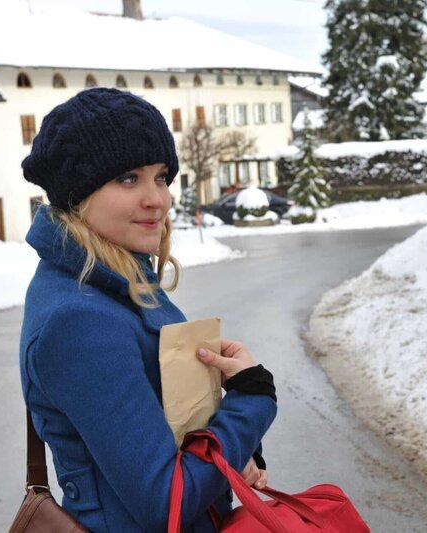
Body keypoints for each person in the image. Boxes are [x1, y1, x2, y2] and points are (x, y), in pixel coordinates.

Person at [19, 87, 277, 531]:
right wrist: (252, 403)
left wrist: (233, 439)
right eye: (128, 178)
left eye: (161, 177)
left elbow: (164, 425)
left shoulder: (116, 278)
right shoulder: (79, 320)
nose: (157, 198)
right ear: (76, 195)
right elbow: (166, 501)